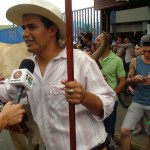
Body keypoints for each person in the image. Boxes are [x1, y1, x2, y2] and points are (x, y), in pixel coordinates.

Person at [0, 0, 116, 149]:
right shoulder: (27, 68)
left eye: (32, 27)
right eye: (24, 28)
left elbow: (108, 102)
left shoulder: (79, 60)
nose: (25, 34)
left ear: (52, 30)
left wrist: (85, 97)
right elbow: (7, 90)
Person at [96, 32, 126, 149]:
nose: (96, 42)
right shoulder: (92, 58)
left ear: (106, 43)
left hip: (110, 101)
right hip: (95, 100)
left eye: (98, 40)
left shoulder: (117, 60)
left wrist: (112, 95)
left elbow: (123, 81)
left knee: (108, 131)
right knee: (95, 131)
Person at [120, 34, 150, 150]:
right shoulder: (135, 61)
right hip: (137, 103)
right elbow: (127, 81)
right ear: (141, 48)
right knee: (124, 131)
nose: (147, 54)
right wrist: (134, 79)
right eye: (145, 51)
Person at [128, 41, 145, 136]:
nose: (135, 50)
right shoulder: (134, 61)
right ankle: (140, 127)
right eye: (135, 48)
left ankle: (145, 127)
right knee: (139, 113)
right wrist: (130, 86)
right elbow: (130, 77)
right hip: (137, 92)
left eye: (137, 49)